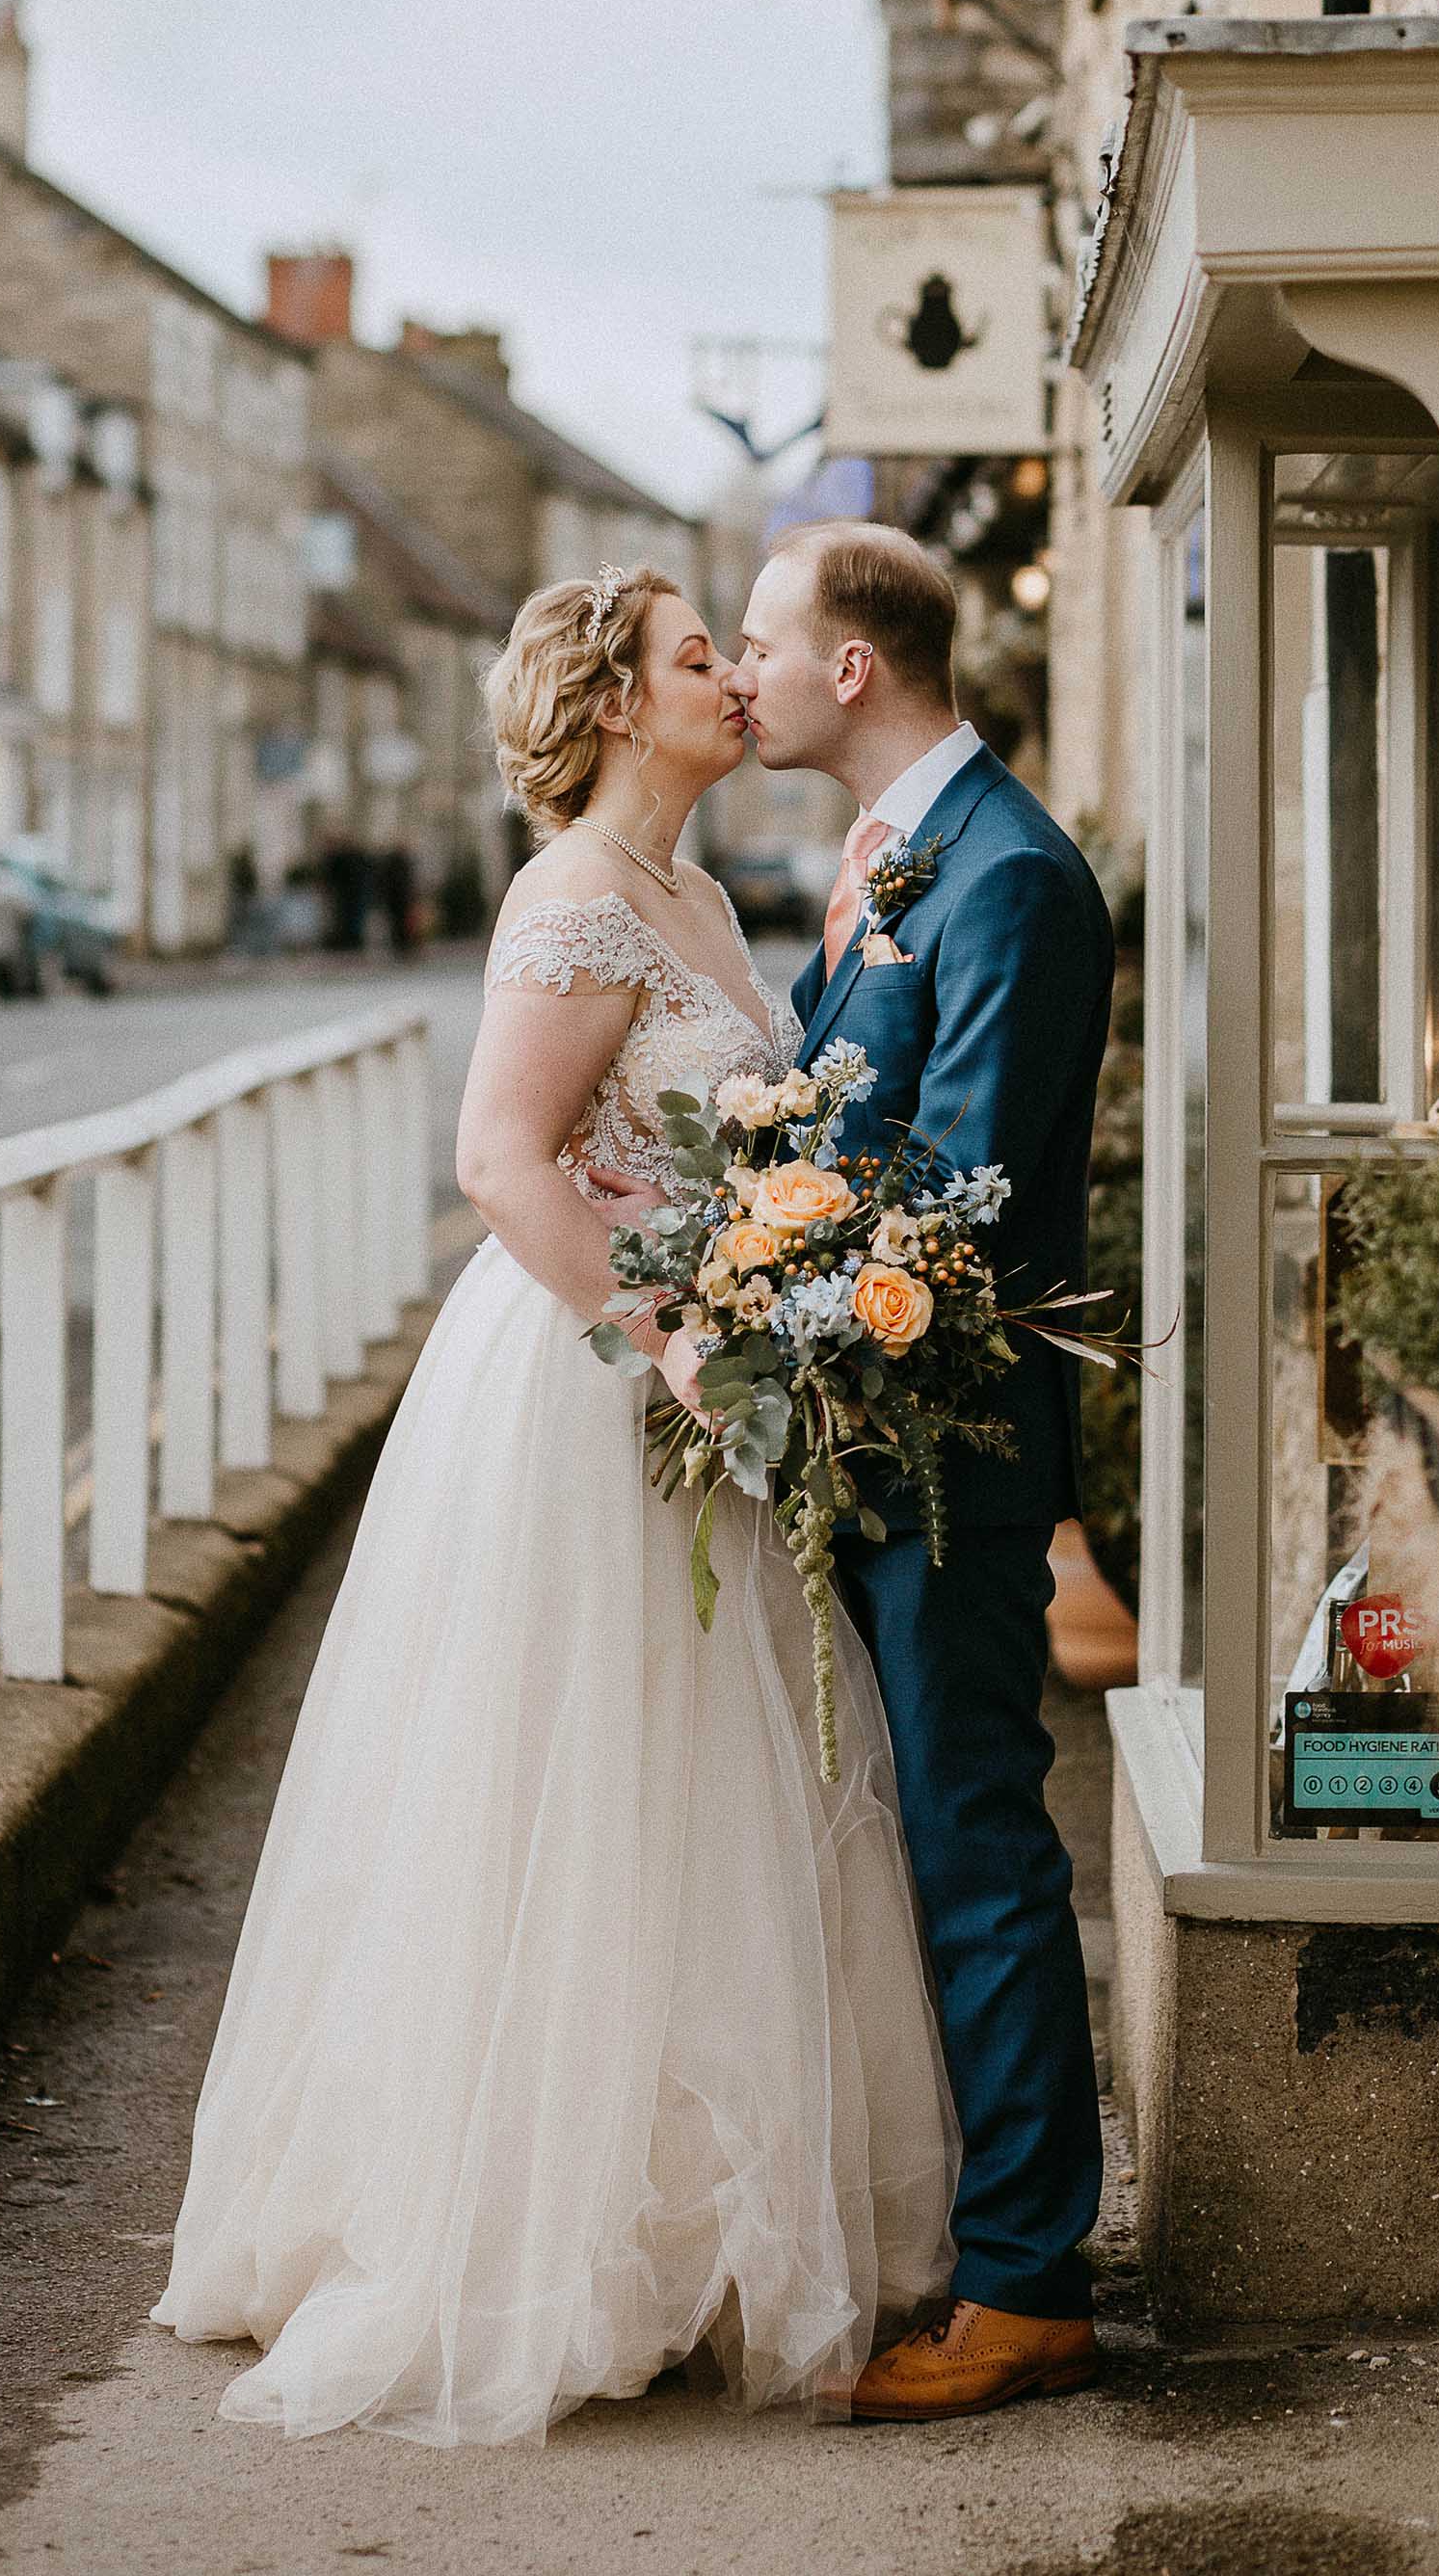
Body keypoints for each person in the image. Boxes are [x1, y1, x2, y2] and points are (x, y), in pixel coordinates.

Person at [150, 565, 957, 2447]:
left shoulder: (690, 894)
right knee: (571, 1792)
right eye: (700, 660)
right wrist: (668, 1342)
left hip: (696, 1372)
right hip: (587, 1386)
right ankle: (532, 2229)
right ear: (617, 704)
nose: (733, 684)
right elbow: (504, 1162)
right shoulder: (576, 898)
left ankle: (674, 2220)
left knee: (708, 1806)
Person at [721, 520, 1114, 2421]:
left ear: (851, 667)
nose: (743, 672)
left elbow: (946, 1207)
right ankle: (959, 2227)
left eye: (762, 641)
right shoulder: (897, 863)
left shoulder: (1012, 881)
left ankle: (1033, 2280)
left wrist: (759, 1294)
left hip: (941, 1445)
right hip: (868, 1434)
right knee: (919, 1829)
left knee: (972, 1831)